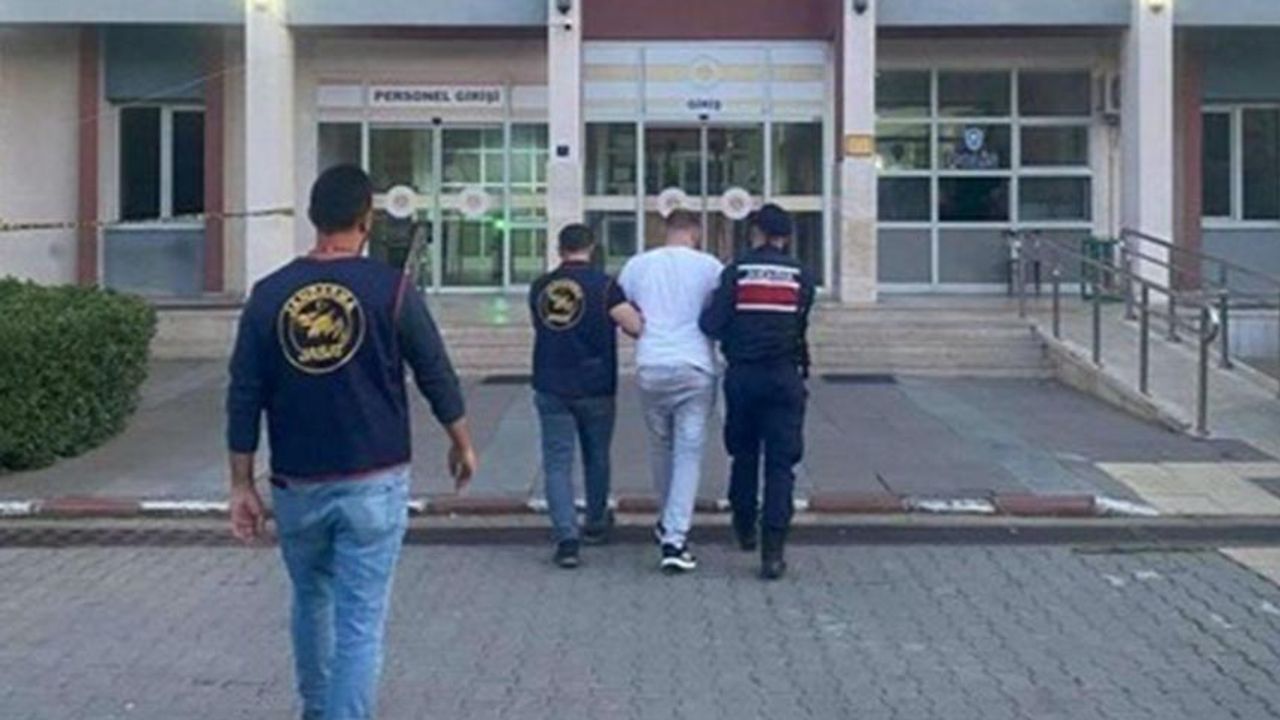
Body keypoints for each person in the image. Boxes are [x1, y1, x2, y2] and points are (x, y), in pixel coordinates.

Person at [226, 164, 478, 720]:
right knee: (360, 621)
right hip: (373, 478)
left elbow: (244, 393)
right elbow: (435, 372)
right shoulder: (391, 289)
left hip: (297, 482)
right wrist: (461, 441)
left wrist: (241, 483)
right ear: (366, 220)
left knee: (311, 600)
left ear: (313, 217)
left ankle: (318, 711)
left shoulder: (269, 296)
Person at [699, 204, 815, 581]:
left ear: (757, 232)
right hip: (784, 376)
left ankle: (745, 527)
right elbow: (800, 323)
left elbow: (711, 323)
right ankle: (773, 552)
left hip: (744, 375)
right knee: (781, 465)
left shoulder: (737, 271)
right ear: (786, 237)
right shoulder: (801, 275)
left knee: (744, 455)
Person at [529, 223, 644, 568]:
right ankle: (595, 522)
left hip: (551, 381)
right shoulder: (605, 286)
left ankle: (566, 539)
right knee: (596, 456)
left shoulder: (540, 287)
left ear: (559, 249)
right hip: (595, 384)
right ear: (591, 247)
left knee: (556, 463)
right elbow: (635, 326)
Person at [617, 210, 724, 573]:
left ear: (667, 230)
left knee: (661, 447)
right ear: (695, 232)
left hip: (652, 364)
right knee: (688, 452)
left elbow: (625, 311)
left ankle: (666, 520)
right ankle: (675, 538)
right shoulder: (710, 267)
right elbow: (717, 312)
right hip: (695, 366)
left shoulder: (638, 265)